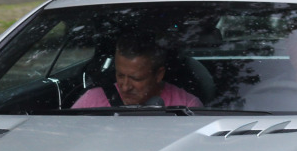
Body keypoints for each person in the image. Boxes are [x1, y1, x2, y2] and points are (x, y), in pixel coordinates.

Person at [72, 35, 202, 108]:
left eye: (136, 79)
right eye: (120, 75)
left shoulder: (186, 107)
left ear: (159, 75)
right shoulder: (91, 102)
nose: (125, 87)